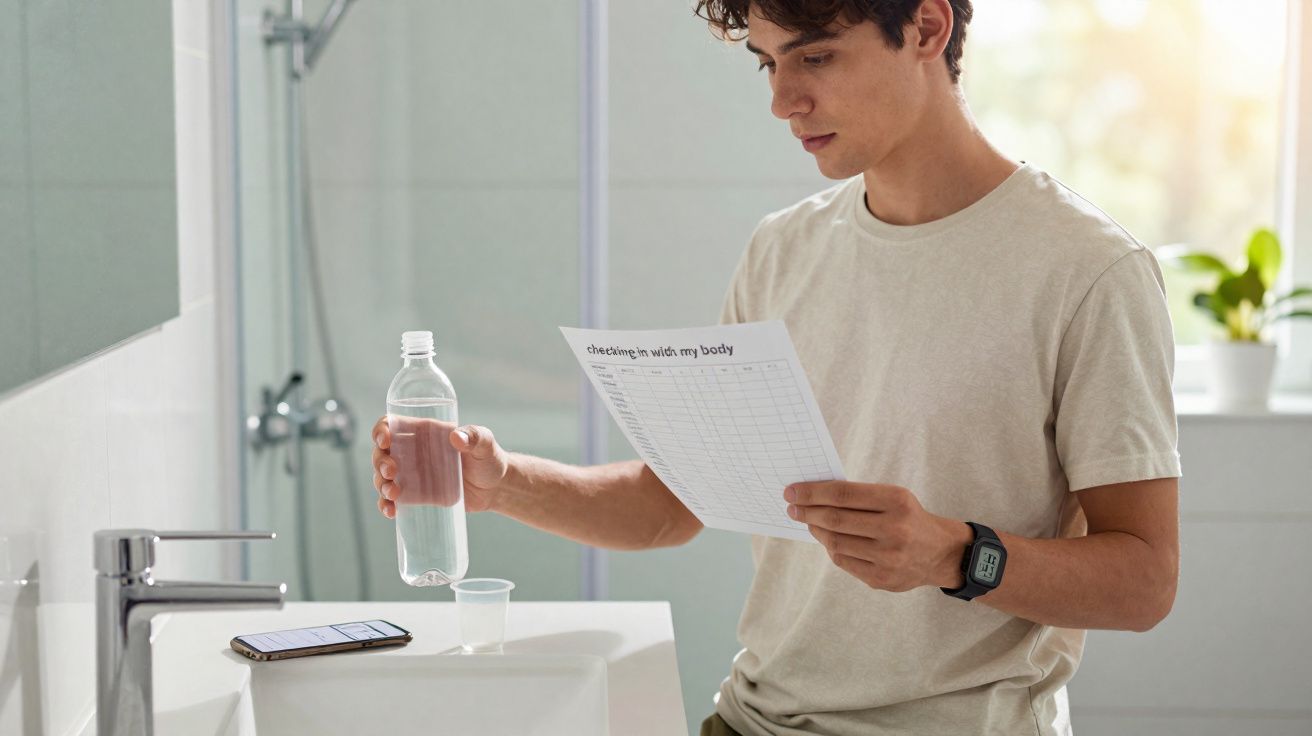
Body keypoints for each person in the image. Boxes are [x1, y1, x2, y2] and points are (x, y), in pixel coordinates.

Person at [371, 0, 1183, 733]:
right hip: (751, 723)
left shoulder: (1087, 270)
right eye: (769, 62)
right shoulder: (784, 250)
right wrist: (501, 480)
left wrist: (952, 554)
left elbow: (1145, 581)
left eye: (816, 56)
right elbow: (669, 505)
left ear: (928, 29)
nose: (782, 99)